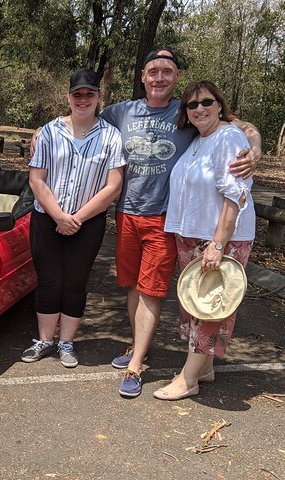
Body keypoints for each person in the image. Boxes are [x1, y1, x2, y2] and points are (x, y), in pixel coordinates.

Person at [96, 48, 261, 397]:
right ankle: (169, 356)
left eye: (167, 71)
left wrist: (256, 148)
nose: (159, 77)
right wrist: (44, 133)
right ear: (142, 76)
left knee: (181, 297)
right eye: (153, 71)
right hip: (138, 216)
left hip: (170, 222)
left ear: (177, 78)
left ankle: (151, 367)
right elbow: (83, 115)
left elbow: (243, 128)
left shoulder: (199, 120)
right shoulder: (123, 112)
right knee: (141, 288)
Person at [153, 80, 255, 400]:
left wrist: (218, 243)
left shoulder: (228, 137)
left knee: (211, 307)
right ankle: (204, 367)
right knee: (196, 304)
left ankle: (188, 380)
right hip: (190, 235)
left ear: (220, 105)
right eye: (192, 105)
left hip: (219, 238)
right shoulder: (199, 139)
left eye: (206, 103)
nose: (199, 109)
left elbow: (234, 195)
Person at [21, 68, 125, 368]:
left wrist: (76, 218)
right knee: (49, 280)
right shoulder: (49, 132)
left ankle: (66, 342)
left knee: (75, 282)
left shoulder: (110, 136)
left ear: (99, 97)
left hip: (87, 222)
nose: (83, 100)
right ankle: (45, 339)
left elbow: (113, 185)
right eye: (77, 94)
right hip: (47, 219)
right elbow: (37, 180)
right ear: (68, 97)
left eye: (89, 94)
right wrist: (59, 216)